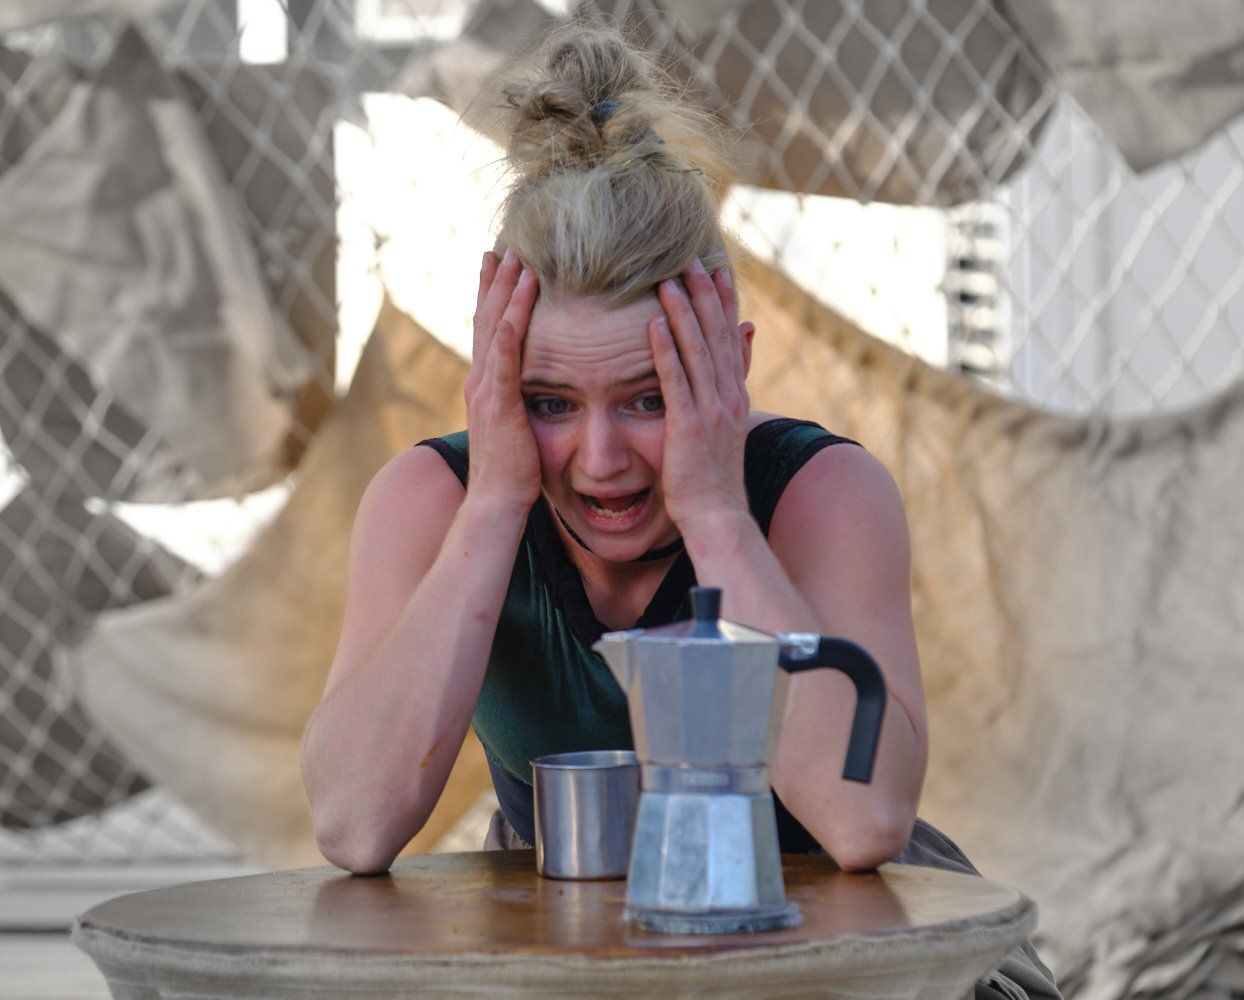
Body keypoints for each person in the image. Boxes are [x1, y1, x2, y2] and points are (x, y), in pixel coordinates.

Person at [300, 19, 1059, 998]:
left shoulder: (820, 493)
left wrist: (718, 519)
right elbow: (355, 825)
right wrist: (493, 505)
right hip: (581, 954)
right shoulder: (436, 502)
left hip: (859, 967)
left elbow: (865, 821)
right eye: (549, 403)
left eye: (650, 399)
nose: (601, 460)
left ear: (729, 369)